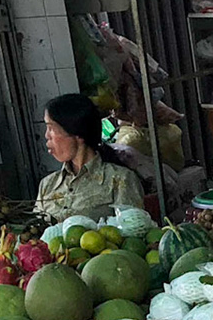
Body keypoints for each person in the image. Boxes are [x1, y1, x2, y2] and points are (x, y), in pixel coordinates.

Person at [35, 92, 145, 222]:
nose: (47, 136)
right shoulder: (47, 185)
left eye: (51, 128)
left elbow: (133, 232)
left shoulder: (120, 180)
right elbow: (35, 234)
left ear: (77, 134)